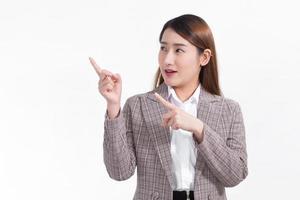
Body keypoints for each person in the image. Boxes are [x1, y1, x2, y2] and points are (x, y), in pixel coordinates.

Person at [90, 14, 248, 200]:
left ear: (204, 57)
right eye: (163, 48)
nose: (167, 60)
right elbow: (119, 172)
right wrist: (113, 106)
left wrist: (199, 128)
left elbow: (235, 175)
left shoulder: (228, 110)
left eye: (179, 50)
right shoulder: (138, 106)